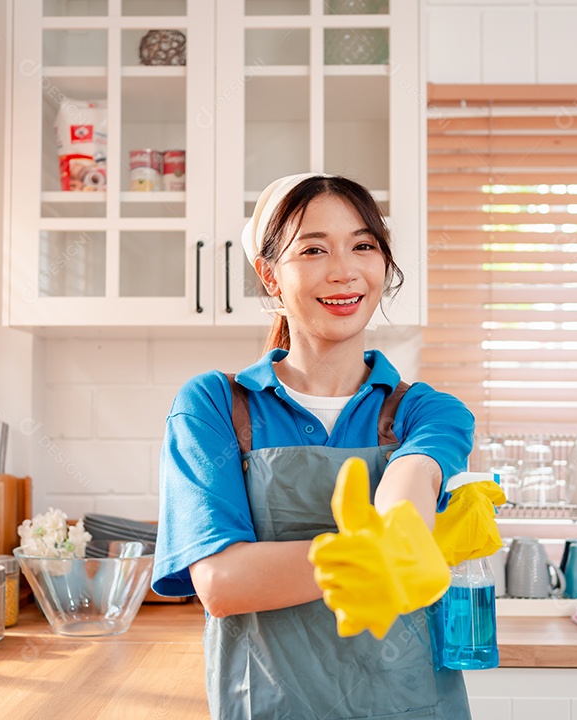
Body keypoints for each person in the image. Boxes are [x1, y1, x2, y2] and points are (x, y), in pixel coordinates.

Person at [153, 173, 477, 719]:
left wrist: (397, 528)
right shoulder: (216, 406)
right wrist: (368, 554)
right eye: (313, 249)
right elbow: (220, 582)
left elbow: (414, 473)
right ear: (269, 276)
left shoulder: (428, 409)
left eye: (363, 245)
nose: (344, 270)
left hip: (412, 706)